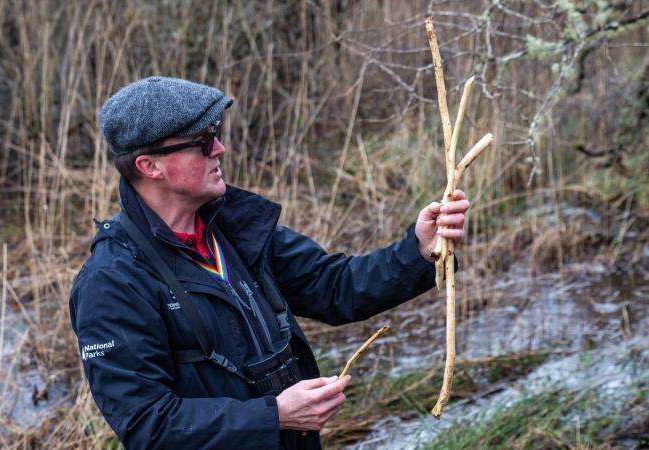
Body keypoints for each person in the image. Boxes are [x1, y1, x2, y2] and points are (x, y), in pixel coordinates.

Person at [69, 76, 469, 450]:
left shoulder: (236, 228)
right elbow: (147, 424)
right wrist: (274, 415)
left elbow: (336, 288)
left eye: (217, 135)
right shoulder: (111, 282)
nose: (220, 149)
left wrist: (417, 249)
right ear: (150, 166)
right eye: (203, 141)